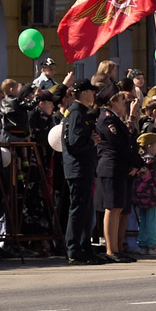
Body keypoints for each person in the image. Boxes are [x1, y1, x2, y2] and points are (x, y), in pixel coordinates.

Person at [61, 77, 103, 262]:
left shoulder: (80, 112)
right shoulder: (77, 113)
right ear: (84, 93)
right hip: (78, 167)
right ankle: (74, 248)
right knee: (78, 209)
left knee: (85, 209)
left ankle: (85, 247)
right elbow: (75, 142)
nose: (93, 95)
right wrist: (91, 141)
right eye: (92, 92)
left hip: (82, 167)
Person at [95, 86, 139, 262]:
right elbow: (119, 145)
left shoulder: (115, 119)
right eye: (121, 100)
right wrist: (138, 163)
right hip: (111, 167)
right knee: (112, 209)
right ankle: (111, 250)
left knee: (119, 208)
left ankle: (118, 248)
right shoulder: (107, 119)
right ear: (112, 101)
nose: (124, 103)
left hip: (119, 167)